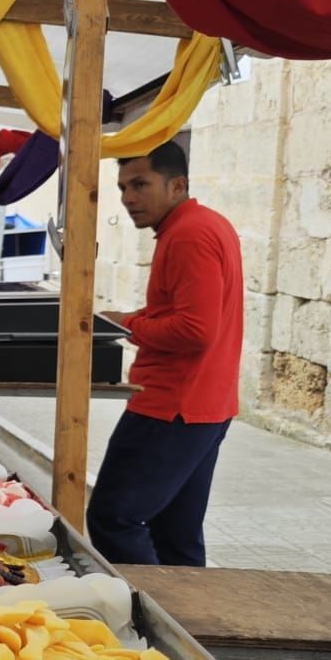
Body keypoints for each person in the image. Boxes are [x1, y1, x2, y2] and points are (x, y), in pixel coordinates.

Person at [87, 141, 244, 568]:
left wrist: (129, 326)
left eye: (140, 184)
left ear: (177, 185)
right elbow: (182, 313)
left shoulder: (189, 235)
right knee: (176, 536)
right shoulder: (204, 225)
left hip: (173, 404)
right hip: (204, 405)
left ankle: (152, 622)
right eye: (122, 187)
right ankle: (191, 627)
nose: (129, 197)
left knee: (113, 518)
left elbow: (195, 330)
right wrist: (129, 316)